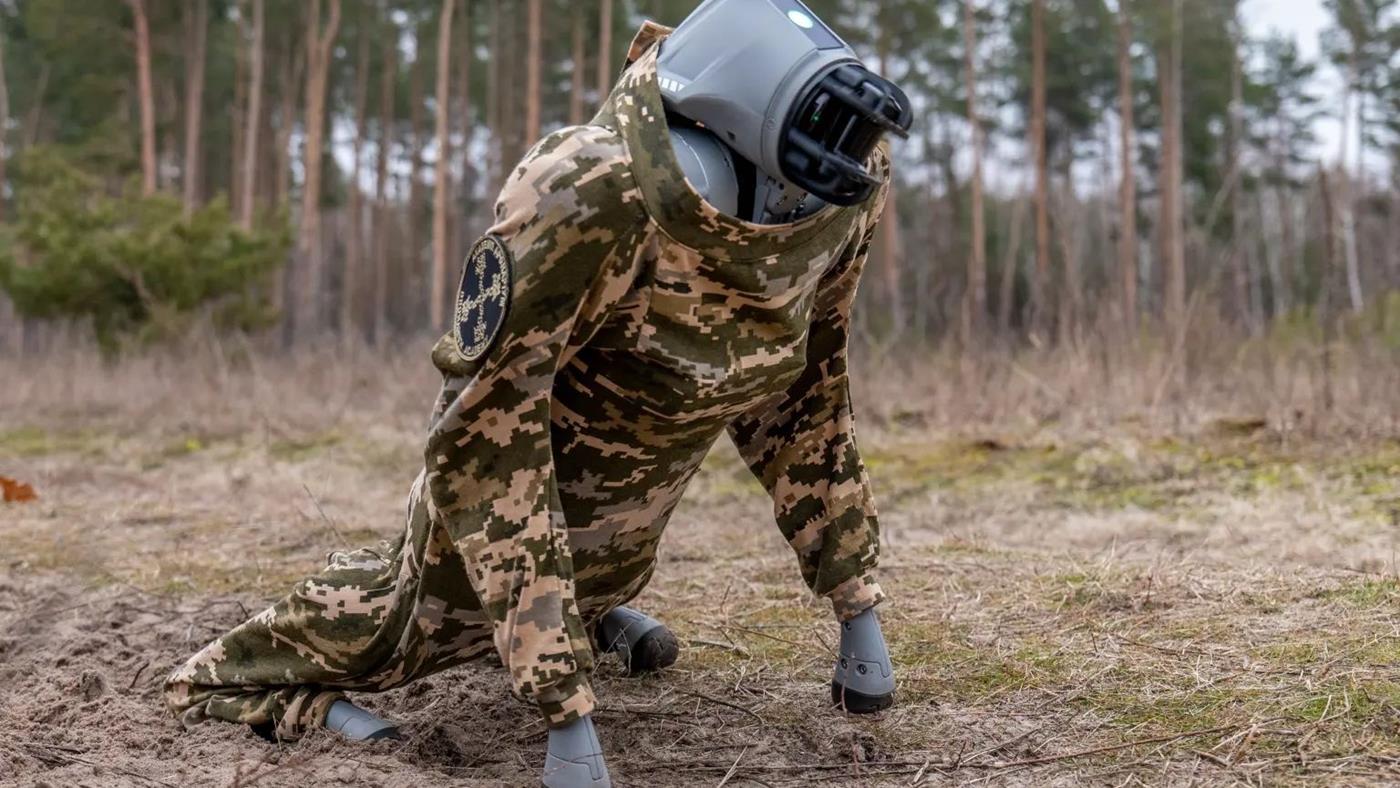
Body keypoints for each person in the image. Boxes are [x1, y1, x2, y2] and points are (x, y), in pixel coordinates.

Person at [164, 2, 912, 786]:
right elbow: (485, 430)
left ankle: (588, 613)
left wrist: (856, 604)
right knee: (362, 636)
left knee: (606, 567)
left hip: (613, 559)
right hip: (464, 577)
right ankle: (304, 701)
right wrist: (562, 704)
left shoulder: (841, 188)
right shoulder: (590, 192)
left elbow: (807, 396)